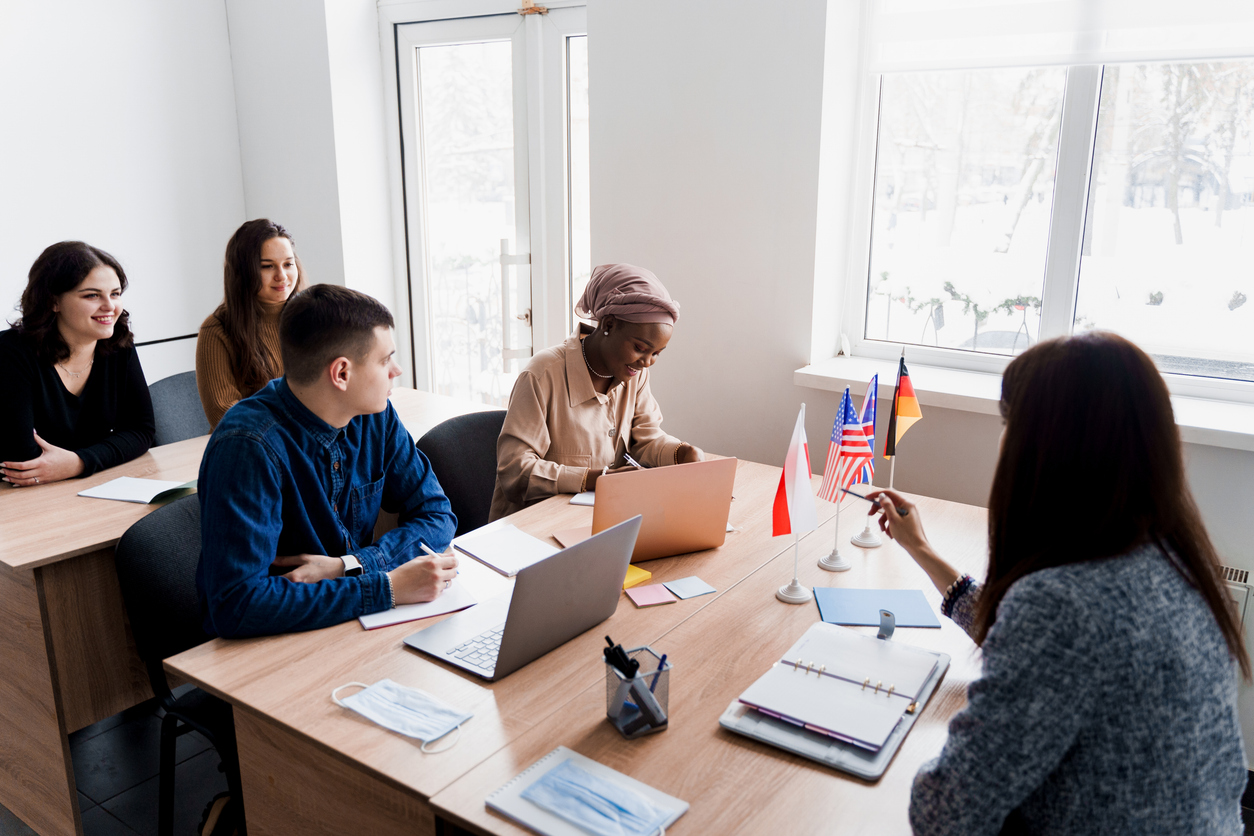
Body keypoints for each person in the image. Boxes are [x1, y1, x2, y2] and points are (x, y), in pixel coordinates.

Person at [863, 332, 1247, 835]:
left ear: (1049, 446)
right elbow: (1047, 649)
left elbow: (945, 814)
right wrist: (922, 551)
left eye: (1008, 423)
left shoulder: (1062, 606)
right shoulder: (1180, 565)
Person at [196, 284, 458, 638]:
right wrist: (388, 587)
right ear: (341, 373)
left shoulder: (374, 414)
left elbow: (437, 513)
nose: (396, 370)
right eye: (384, 360)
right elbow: (238, 605)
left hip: (345, 622)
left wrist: (350, 566)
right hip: (271, 644)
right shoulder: (248, 446)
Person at [489, 263, 705, 520]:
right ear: (609, 324)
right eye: (640, 347)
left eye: (656, 353)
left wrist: (680, 453)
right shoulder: (542, 374)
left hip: (599, 520)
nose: (647, 362)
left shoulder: (634, 374)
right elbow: (516, 471)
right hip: (533, 527)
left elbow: (645, 440)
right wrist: (597, 479)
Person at [0, 241, 154, 486]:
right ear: (53, 301)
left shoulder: (118, 344)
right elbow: (22, 461)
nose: (110, 307)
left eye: (115, 294)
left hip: (87, 485)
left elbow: (141, 431)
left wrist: (79, 462)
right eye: (92, 295)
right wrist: (100, 456)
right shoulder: (11, 352)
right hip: (15, 497)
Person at [196, 218, 308, 428]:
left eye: (288, 264)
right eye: (267, 266)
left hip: (308, 441)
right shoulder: (217, 329)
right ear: (243, 272)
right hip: (252, 447)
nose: (282, 276)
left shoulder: (311, 317)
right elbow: (224, 413)